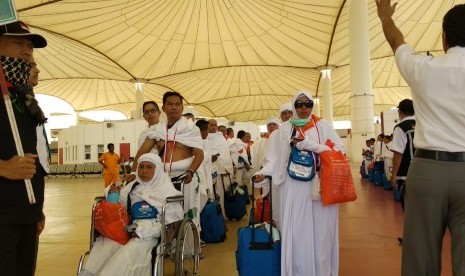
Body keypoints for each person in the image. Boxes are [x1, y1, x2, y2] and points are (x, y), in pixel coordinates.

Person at [377, 2, 465, 275]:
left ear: (444, 38)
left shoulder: (422, 68)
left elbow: (396, 41)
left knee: (420, 258)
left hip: (427, 171)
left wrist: (385, 17)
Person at [255, 90, 344, 275]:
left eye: (308, 104)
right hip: (293, 186)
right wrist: (263, 173)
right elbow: (275, 160)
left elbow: (339, 150)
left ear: (312, 105)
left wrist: (309, 145)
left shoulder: (322, 125)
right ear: (294, 106)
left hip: (319, 185)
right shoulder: (284, 130)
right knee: (297, 234)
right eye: (299, 104)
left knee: (322, 234)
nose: (304, 108)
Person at [79, 153, 183, 276]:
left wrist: (144, 231)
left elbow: (170, 227)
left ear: (158, 170)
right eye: (141, 167)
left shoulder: (169, 193)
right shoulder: (132, 187)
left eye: (149, 167)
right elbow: (119, 205)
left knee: (126, 256)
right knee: (105, 245)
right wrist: (113, 192)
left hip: (150, 234)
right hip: (127, 229)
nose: (144, 171)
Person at [0, 20, 48, 275]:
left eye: (30, 46)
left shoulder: (22, 98)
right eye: (18, 43)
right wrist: (3, 167)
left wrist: (37, 209)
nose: (27, 51)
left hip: (26, 213)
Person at [133, 91, 204, 230]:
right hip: (163, 179)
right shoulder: (157, 130)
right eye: (170, 104)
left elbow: (199, 154)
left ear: (182, 108)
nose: (174, 107)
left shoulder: (191, 129)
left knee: (188, 214)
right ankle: (169, 245)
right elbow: (141, 154)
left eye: (178, 104)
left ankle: (192, 247)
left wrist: (191, 171)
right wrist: (132, 172)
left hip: (186, 177)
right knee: (166, 213)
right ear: (164, 108)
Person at [389, 99, 415, 244]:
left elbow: (398, 153)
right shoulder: (423, 124)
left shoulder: (400, 127)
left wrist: (394, 176)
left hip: (407, 174)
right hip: (426, 172)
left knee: (410, 209)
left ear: (400, 111)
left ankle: (411, 238)